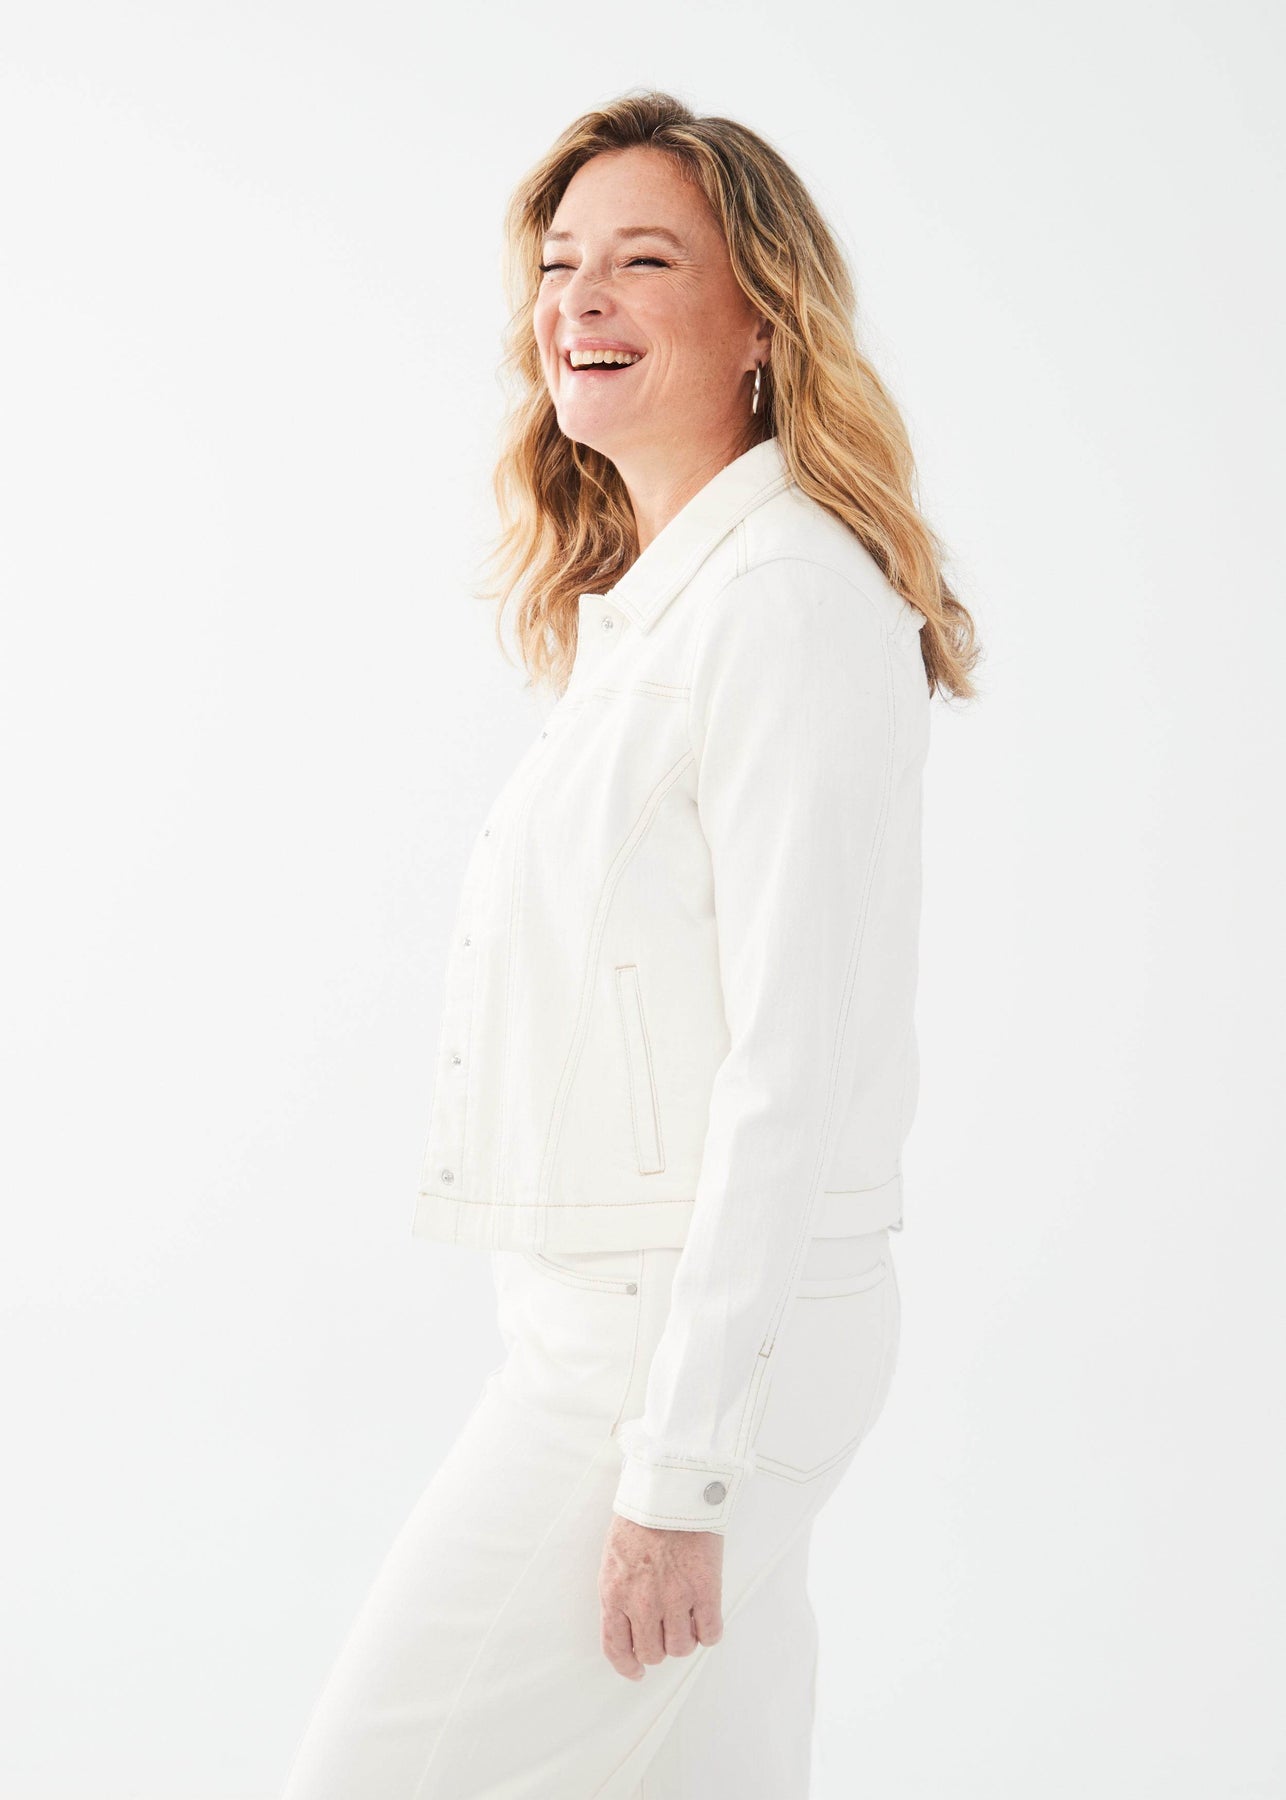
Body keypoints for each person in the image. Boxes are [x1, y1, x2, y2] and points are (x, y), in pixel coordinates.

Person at [280, 89, 980, 1799]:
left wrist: (679, 1468)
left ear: (761, 318)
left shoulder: (782, 604)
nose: (578, 299)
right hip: (662, 1331)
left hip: (675, 1349)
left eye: (643, 261)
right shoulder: (677, 602)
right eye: (559, 263)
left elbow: (790, 1063)